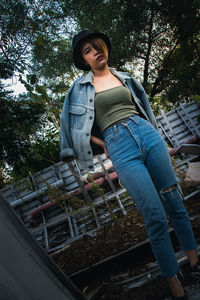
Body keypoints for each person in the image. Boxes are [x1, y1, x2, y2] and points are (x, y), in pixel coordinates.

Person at [60, 29, 200, 299]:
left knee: (174, 200)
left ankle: (194, 261)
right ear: (84, 60)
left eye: (96, 46)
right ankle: (174, 283)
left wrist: (149, 129)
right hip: (119, 146)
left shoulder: (125, 77)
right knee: (154, 215)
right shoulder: (78, 89)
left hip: (147, 135)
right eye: (87, 50)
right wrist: (103, 144)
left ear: (105, 47)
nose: (94, 51)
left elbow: (143, 109)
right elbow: (70, 127)